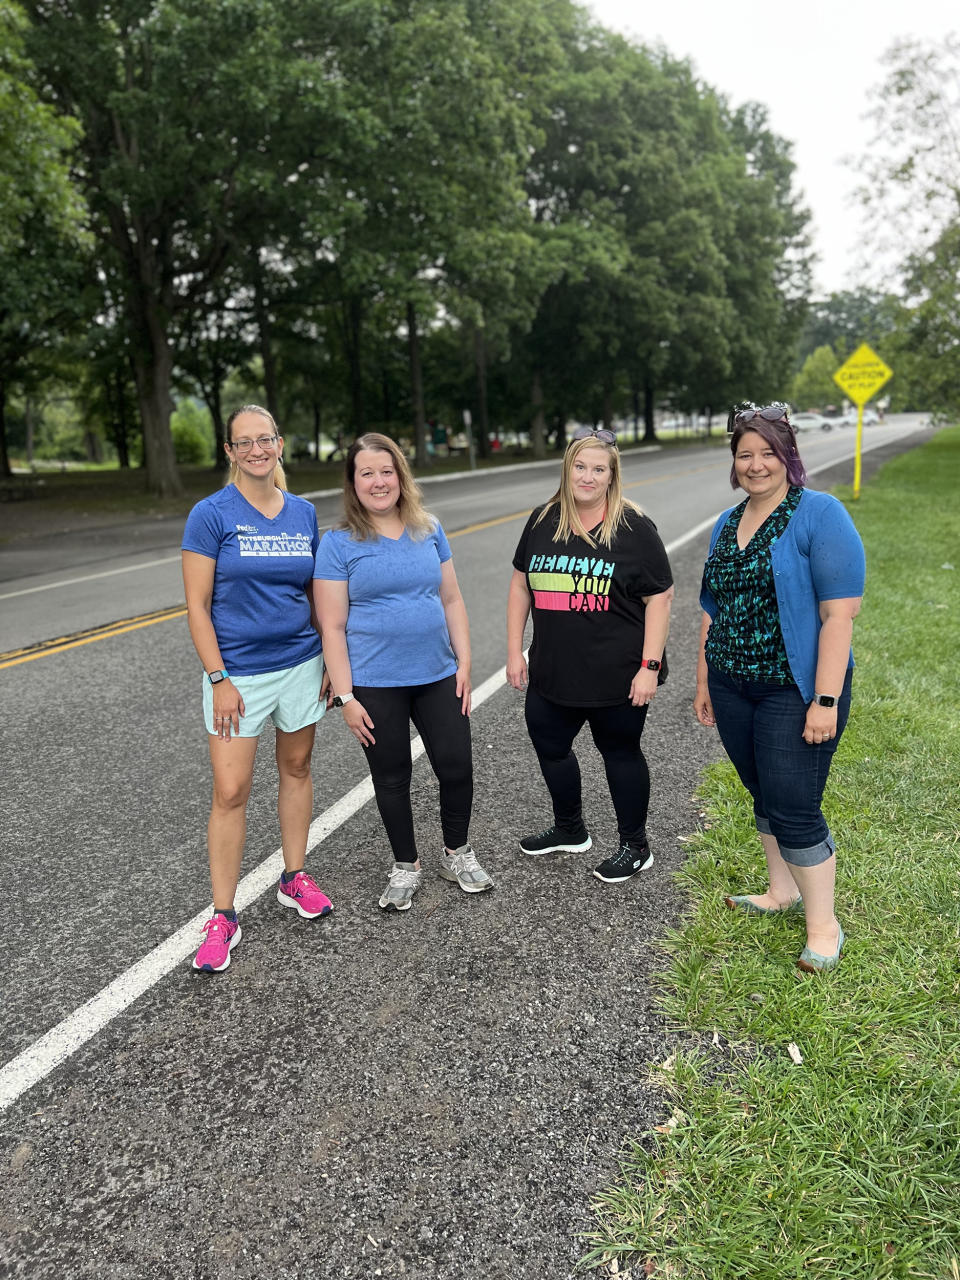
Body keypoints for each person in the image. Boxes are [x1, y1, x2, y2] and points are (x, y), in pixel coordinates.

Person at [693, 403, 865, 973]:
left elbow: (839, 616)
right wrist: (703, 680)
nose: (756, 464)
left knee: (793, 805)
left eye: (768, 452)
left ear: (788, 456)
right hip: (732, 683)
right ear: (734, 462)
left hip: (795, 686)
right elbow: (713, 608)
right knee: (762, 792)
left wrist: (826, 698)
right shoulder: (724, 522)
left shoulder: (819, 513)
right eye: (746, 454)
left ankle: (824, 925)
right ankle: (780, 891)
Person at [313, 432, 493, 911]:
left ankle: (457, 852)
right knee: (391, 777)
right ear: (353, 482)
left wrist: (465, 663)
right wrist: (346, 697)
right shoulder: (337, 543)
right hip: (374, 683)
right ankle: (405, 865)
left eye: (386, 471)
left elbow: (451, 599)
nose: (378, 481)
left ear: (401, 476)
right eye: (366, 473)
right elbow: (331, 626)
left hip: (437, 673)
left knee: (456, 766)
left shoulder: (428, 527)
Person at [181, 405, 333, 973]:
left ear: (280, 444)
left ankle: (294, 876)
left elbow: (315, 594)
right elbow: (196, 607)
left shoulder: (303, 513)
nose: (255, 450)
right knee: (231, 789)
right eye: (243, 442)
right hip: (238, 675)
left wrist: (327, 663)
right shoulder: (210, 514)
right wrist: (219, 678)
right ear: (229, 451)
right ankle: (223, 914)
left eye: (264, 439)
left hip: (300, 663)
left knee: (297, 768)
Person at [506, 428, 674, 883]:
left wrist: (649, 667)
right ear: (567, 468)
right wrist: (514, 652)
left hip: (617, 675)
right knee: (550, 746)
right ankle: (569, 828)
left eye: (598, 469)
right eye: (580, 466)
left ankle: (635, 846)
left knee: (619, 752)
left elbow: (660, 596)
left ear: (612, 474)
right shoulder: (544, 519)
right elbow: (521, 584)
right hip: (553, 669)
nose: (587, 476)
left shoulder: (634, 527)